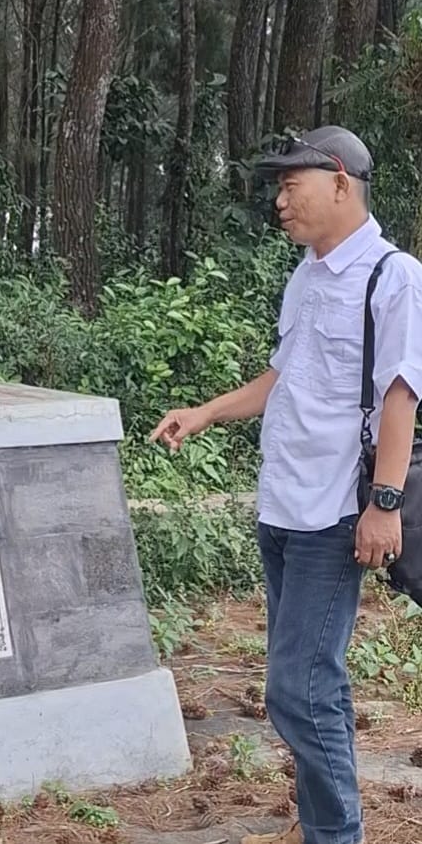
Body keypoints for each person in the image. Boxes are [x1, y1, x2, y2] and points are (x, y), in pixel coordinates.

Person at [150, 125, 422, 844]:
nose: (280, 200)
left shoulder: (392, 277)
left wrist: (383, 504)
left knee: (293, 692)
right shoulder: (307, 274)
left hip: (336, 514)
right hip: (283, 509)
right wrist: (207, 412)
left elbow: (402, 394)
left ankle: (338, 835)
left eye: (290, 184)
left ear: (340, 181)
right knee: (316, 685)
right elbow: (285, 377)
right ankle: (324, 832)